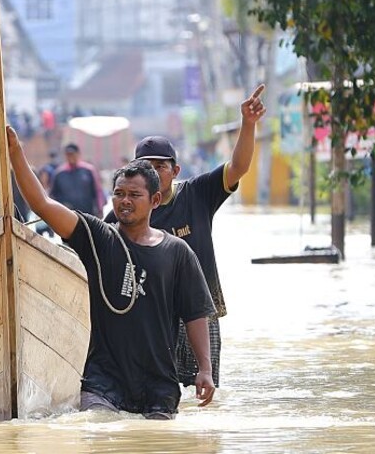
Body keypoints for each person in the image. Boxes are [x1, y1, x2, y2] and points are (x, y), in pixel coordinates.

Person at [0, 120, 216, 419]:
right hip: (104, 381)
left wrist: (205, 369)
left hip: (158, 384)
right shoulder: (99, 238)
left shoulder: (178, 252)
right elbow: (43, 204)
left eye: (134, 195)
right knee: (98, 430)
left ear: (154, 200)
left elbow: (195, 314)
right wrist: (15, 153)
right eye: (119, 194)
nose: (125, 201)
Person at [106, 84, 266, 391]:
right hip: (150, 321)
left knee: (203, 398)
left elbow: (238, 167)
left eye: (160, 167)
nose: (153, 173)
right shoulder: (122, 212)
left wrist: (247, 124)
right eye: (145, 167)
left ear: (175, 170)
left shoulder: (198, 194)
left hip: (200, 315)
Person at [50, 142, 107, 218]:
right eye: (68, 154)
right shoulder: (59, 173)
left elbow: (98, 191)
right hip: (67, 215)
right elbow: (53, 195)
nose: (70, 157)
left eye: (73, 154)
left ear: (78, 154)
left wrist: (100, 208)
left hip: (88, 215)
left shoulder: (88, 170)